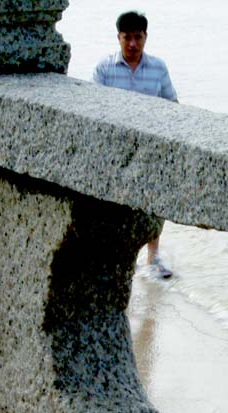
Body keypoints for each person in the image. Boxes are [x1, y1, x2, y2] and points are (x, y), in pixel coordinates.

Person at [93, 11, 177, 279]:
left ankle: (153, 257)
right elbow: (92, 111)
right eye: (126, 37)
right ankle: (117, 256)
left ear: (145, 37)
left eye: (137, 37)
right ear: (118, 37)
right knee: (114, 204)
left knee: (154, 201)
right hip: (115, 147)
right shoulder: (104, 69)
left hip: (150, 146)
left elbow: (172, 107)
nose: (132, 44)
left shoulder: (158, 68)